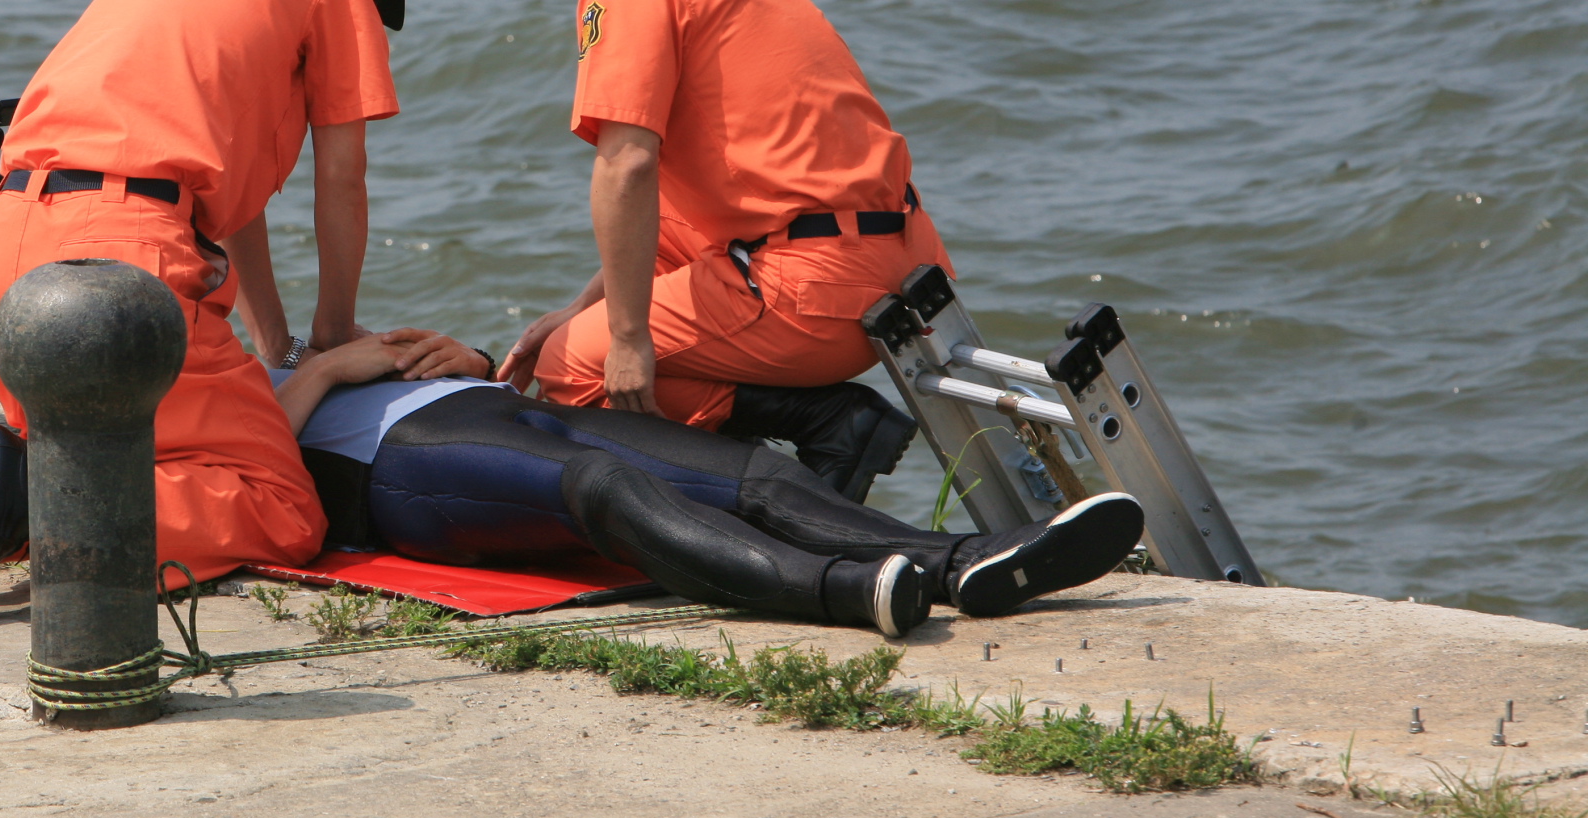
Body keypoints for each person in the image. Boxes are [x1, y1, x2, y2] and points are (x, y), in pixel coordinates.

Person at [0, 0, 420, 624]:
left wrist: (278, 345)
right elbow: (342, 175)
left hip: (12, 237)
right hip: (125, 256)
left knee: (100, 442)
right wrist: (332, 336)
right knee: (283, 506)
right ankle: (26, 500)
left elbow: (229, 199)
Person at [496, 0, 943, 495]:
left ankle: (817, 442)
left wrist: (624, 339)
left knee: (570, 367)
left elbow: (627, 164)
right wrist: (586, 308)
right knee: (620, 287)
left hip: (818, 290)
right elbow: (668, 217)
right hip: (896, 265)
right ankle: (800, 439)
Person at [284, 331, 1144, 635]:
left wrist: (463, 354)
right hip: (395, 467)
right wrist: (321, 373)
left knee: (747, 472)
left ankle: (964, 562)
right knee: (603, 486)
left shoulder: (249, 343)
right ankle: (849, 591)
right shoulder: (206, 384)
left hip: (481, 402)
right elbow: (248, 469)